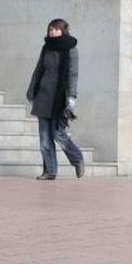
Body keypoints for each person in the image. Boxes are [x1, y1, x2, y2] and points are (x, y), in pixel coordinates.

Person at [27, 19, 85, 180]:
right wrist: (32, 91)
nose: (52, 32)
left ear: (63, 31)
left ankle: (77, 158)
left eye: (56, 29)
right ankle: (50, 171)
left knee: (58, 134)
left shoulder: (71, 48)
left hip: (60, 99)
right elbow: (39, 69)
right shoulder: (46, 47)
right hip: (44, 96)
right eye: (50, 29)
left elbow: (73, 74)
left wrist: (71, 97)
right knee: (44, 138)